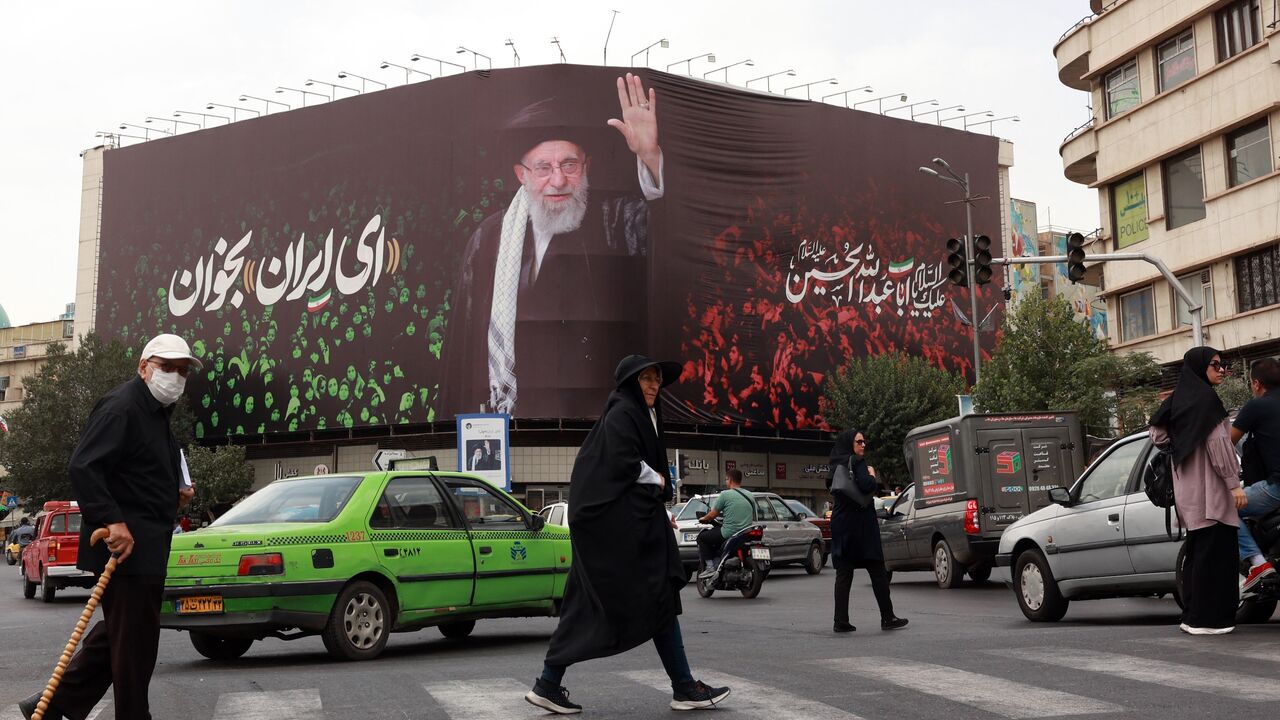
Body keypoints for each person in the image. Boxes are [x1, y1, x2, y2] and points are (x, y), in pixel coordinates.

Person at [443, 73, 665, 419]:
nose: (558, 180)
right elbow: (462, 353)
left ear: (586, 167)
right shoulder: (488, 240)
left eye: (569, 165)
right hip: (506, 424)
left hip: (598, 424)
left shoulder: (617, 221)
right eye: (544, 167)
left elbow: (665, 233)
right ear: (523, 175)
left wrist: (650, 158)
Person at [525, 355, 729, 715]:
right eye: (646, 379)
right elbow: (624, 461)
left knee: (604, 600)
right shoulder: (623, 412)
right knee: (650, 594)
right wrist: (661, 482)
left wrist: (659, 508)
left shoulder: (643, 414)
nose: (653, 385)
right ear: (631, 384)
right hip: (610, 525)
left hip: (620, 521)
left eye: (656, 379)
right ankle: (683, 686)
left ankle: (548, 682)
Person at [20, 333, 201, 720]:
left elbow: (138, 477)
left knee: (118, 636)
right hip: (125, 548)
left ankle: (50, 705)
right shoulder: (122, 407)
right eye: (167, 367)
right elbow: (84, 466)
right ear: (144, 367)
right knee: (135, 647)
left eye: (182, 371)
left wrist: (177, 493)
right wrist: (113, 520)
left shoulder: (156, 414)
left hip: (149, 546)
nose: (175, 377)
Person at [1149, 346, 1245, 635]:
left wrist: (1183, 446)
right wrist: (1234, 485)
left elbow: (1157, 434)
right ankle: (1210, 620)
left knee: (1198, 555)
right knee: (1217, 558)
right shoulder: (1207, 402)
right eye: (1215, 365)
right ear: (1199, 367)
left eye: (1222, 364)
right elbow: (1219, 446)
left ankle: (1192, 616)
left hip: (1187, 494)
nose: (1221, 370)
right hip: (1212, 492)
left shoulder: (1180, 400)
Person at [827, 429, 908, 633]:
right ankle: (887, 617)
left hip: (841, 524)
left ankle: (840, 620)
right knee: (877, 571)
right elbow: (866, 485)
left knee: (844, 573)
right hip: (861, 526)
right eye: (859, 441)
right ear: (850, 444)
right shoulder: (858, 462)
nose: (863, 445)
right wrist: (872, 476)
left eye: (864, 442)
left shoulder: (835, 464)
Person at [1230, 357, 1280, 591]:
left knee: (1222, 506)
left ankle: (1258, 564)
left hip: (1276, 488)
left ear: (1257, 383)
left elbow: (1225, 444)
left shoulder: (1256, 406)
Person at [695, 469, 755, 577]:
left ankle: (710, 568)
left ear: (730, 479)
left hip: (729, 532)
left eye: (726, 479)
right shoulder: (750, 495)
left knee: (702, 537)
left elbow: (713, 514)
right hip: (746, 533)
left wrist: (703, 518)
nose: (726, 482)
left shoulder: (725, 495)